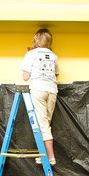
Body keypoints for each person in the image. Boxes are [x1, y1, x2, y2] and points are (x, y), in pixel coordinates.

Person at [20, 28, 59, 166]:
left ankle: (50, 157)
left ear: (36, 40)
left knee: (43, 125)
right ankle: (44, 154)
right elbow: (56, 74)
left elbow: (25, 77)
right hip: (52, 90)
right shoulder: (54, 56)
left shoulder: (31, 54)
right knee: (45, 123)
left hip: (38, 89)